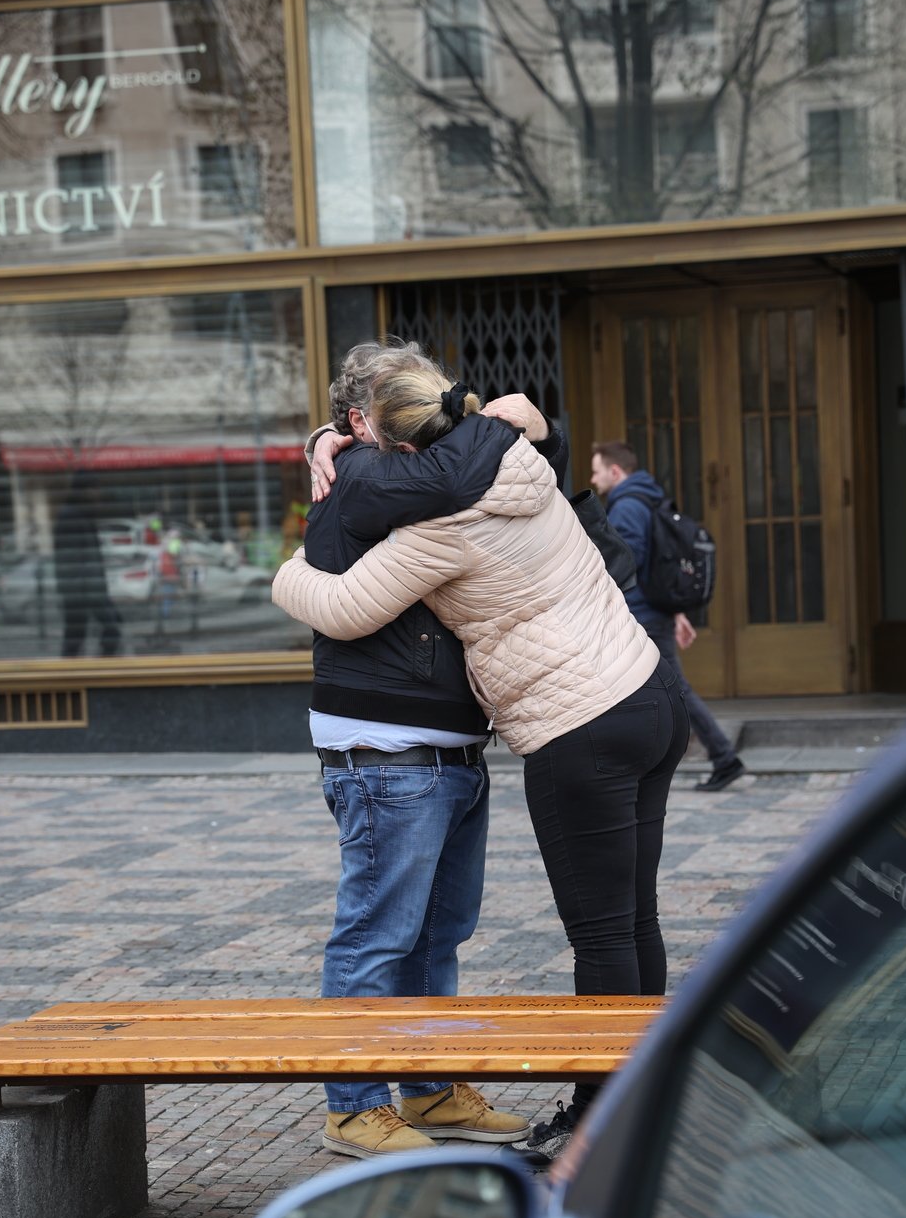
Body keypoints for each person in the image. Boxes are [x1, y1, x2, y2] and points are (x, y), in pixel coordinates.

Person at [277, 357, 690, 1164]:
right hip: (647, 693)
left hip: (581, 723)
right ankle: (641, 1097)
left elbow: (341, 605)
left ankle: (603, 1118)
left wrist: (286, 570)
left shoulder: (440, 529)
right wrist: (336, 435)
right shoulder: (521, 460)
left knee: (603, 933)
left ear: (388, 446)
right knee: (634, 918)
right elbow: (524, 419)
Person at [297, 340, 534, 1159]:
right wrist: (506, 415)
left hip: (444, 750)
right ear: (359, 419)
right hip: (387, 751)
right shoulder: (364, 474)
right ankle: (353, 1107)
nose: (431, 422)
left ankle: (428, 1089)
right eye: (413, 404)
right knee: (376, 935)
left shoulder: (396, 465)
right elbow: (461, 472)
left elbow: (528, 481)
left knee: (435, 935)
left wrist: (523, 423)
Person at [590, 441, 745, 792]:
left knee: (672, 691)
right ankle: (664, 763)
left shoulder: (627, 506)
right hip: (652, 611)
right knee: (652, 691)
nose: (593, 478)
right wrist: (674, 612)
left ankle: (723, 756)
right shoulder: (646, 498)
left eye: (597, 470)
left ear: (616, 471)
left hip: (640, 614)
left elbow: (627, 563)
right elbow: (658, 566)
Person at [52, 471, 122, 659]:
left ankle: (81, 677)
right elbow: (73, 563)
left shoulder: (82, 515)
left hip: (86, 590)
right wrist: (97, 597)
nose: (98, 493)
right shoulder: (72, 517)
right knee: (106, 631)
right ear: (84, 490)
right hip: (82, 592)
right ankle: (99, 678)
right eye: (95, 488)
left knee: (78, 637)